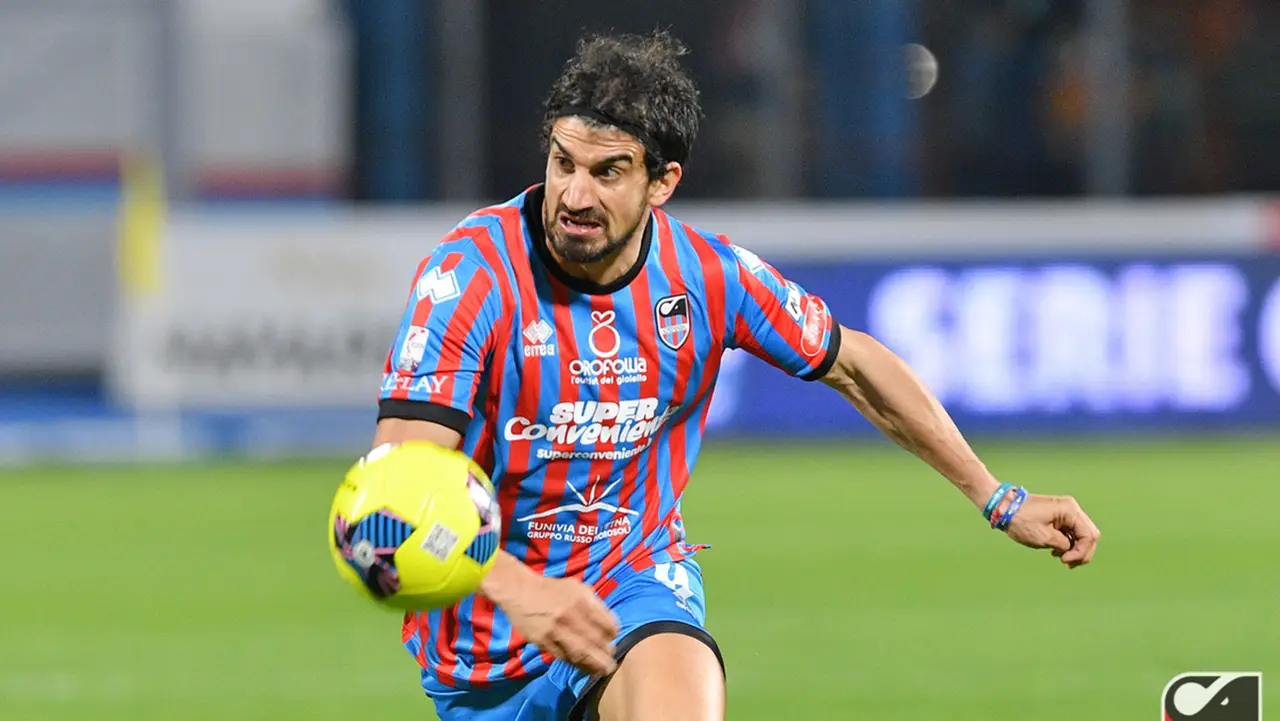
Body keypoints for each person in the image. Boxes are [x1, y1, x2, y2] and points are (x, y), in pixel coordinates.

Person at [373, 30, 1101, 721]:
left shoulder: (706, 277)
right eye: (564, 163)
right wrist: (518, 588)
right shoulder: (472, 275)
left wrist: (996, 496)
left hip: (633, 585)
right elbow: (395, 489)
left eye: (608, 172)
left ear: (663, 182)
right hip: (485, 638)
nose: (575, 195)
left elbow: (855, 364)